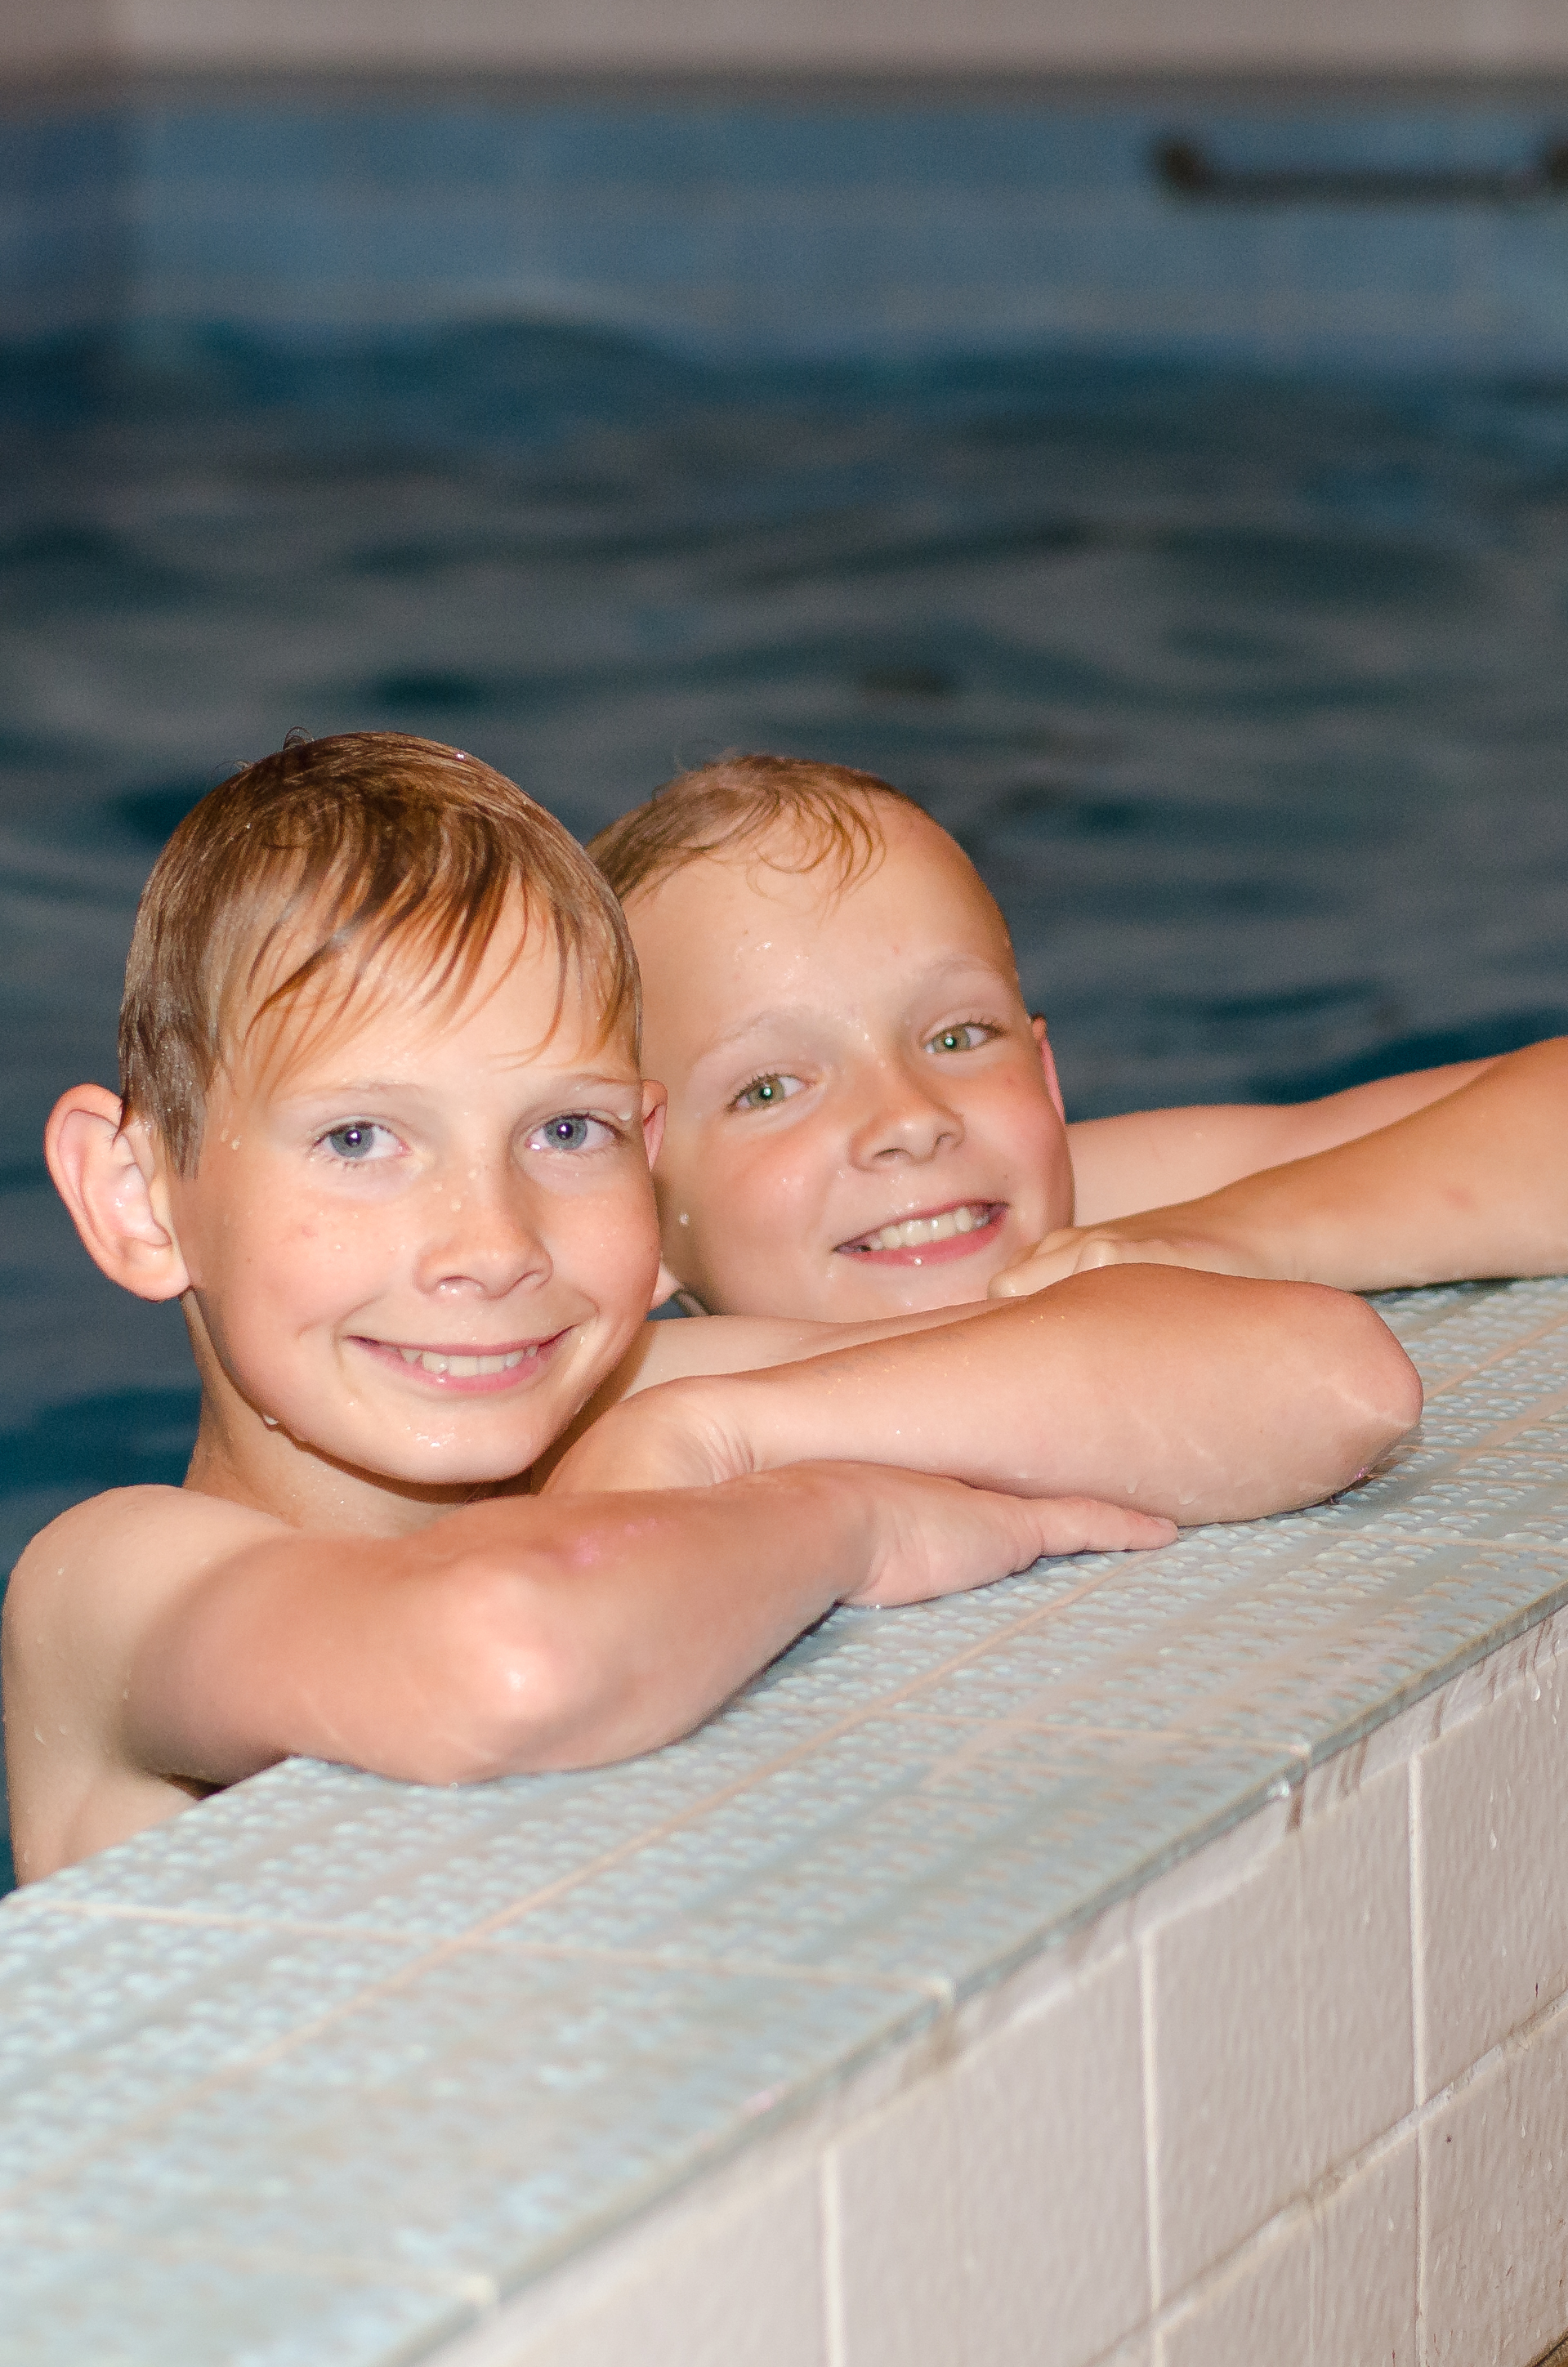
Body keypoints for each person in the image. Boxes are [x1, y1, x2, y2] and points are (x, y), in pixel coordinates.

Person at [3, 735, 1422, 1884]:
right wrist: (840, 1519)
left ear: (651, 1145)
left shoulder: (654, 1400)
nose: (492, 1247)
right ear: (139, 1198)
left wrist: (724, 1430)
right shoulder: (112, 1585)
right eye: (362, 1141)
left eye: (565, 1134)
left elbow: (1324, 1382)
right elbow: (504, 1657)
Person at [587, 755, 1568, 1327]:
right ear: (634, 1212)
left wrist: (1218, 1242)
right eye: (772, 1087)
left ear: (1044, 1083)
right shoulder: (607, 1401)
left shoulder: (1083, 1215)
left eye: (957, 1036)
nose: (907, 1119)